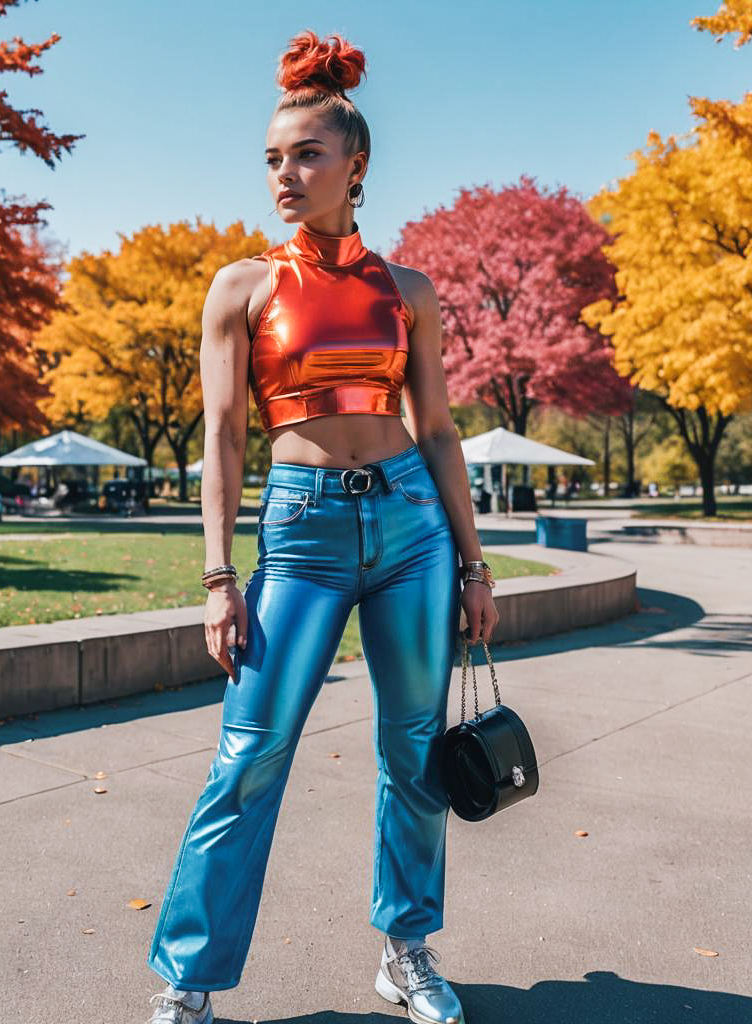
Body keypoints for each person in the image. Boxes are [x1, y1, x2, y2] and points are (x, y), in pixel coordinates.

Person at [145, 30, 499, 1024]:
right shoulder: (241, 287)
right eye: (271, 158)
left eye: (304, 154)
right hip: (297, 532)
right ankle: (187, 979)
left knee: (415, 747)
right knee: (248, 754)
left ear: (355, 165)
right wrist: (219, 578)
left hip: (412, 529)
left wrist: (473, 564)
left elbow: (436, 430)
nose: (284, 175)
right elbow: (221, 437)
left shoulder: (408, 293)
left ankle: (407, 947)